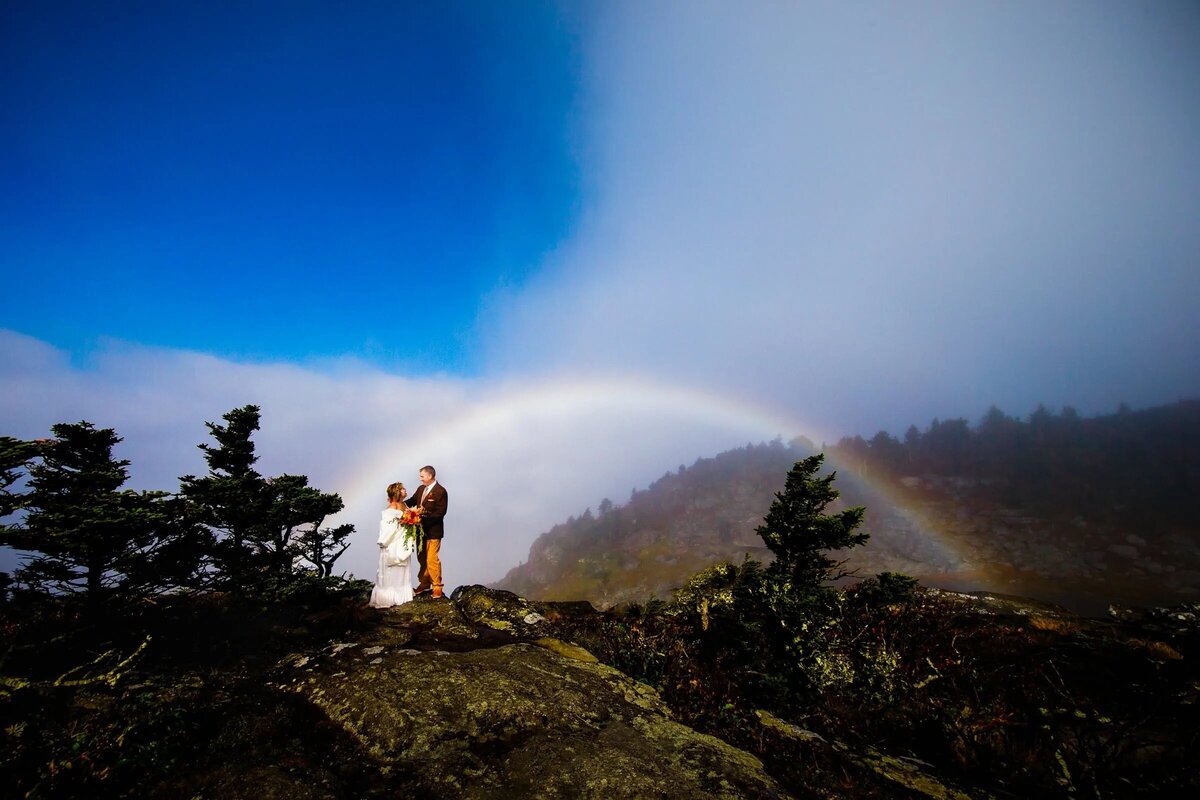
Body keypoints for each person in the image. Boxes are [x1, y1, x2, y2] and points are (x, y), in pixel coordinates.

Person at [369, 482, 414, 608]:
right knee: (391, 569)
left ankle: (401, 593)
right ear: (397, 492)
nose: (406, 491)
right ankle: (388, 597)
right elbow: (387, 527)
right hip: (393, 542)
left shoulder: (404, 504)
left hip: (402, 540)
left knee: (402, 568)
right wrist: (402, 522)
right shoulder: (392, 507)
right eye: (403, 489)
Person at [406, 465, 448, 598]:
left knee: (432, 559)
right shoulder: (420, 489)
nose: (420, 479)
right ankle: (424, 584)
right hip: (420, 532)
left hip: (433, 532)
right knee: (421, 558)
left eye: (422, 476)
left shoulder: (441, 491)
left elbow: (440, 513)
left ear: (430, 476)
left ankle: (437, 586)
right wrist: (398, 503)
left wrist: (421, 517)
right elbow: (412, 501)